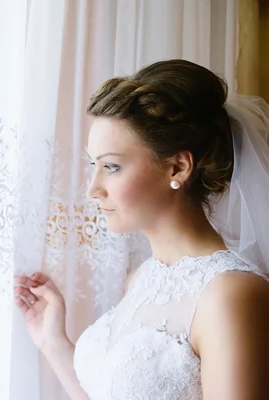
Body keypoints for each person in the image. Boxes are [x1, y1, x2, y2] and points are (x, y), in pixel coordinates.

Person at [14, 59, 269, 399]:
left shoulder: (231, 294)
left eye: (112, 166)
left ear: (177, 167)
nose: (93, 188)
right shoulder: (141, 278)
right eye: (94, 165)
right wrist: (53, 342)